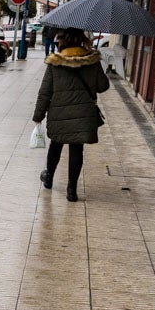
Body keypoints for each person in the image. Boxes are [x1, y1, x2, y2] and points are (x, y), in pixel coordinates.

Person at [33, 28, 110, 202]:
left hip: (59, 113)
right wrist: (97, 65)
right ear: (81, 40)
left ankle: (49, 177)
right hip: (83, 113)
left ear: (63, 41)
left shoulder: (55, 63)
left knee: (56, 145)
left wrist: (38, 115)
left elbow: (45, 92)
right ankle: (71, 190)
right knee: (76, 148)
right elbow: (103, 87)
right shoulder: (92, 61)